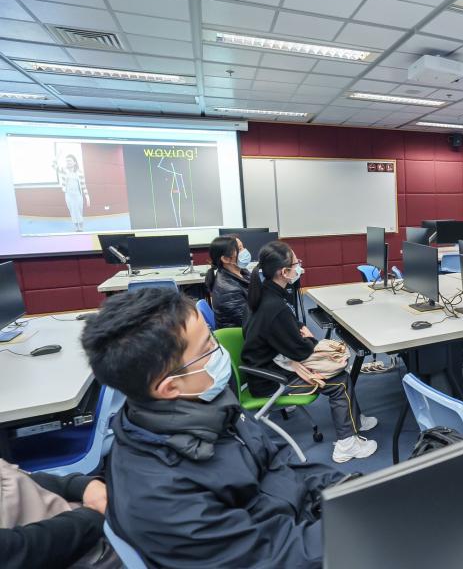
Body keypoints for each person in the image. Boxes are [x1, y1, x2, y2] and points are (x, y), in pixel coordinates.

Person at [80, 288, 346, 567]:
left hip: (298, 527)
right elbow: (270, 557)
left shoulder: (206, 405)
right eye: (208, 348)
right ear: (170, 387)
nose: (221, 353)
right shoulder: (163, 498)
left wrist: (346, 490)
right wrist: (357, 529)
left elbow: (278, 462)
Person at [242, 240, 378, 463]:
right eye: (296, 264)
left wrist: (300, 334)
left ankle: (355, 420)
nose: (299, 267)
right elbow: (302, 350)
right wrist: (308, 338)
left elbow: (291, 332)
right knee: (340, 381)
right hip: (270, 379)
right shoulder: (273, 306)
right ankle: (347, 445)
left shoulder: (266, 293)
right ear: (284, 272)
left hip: (270, 364)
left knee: (339, 374)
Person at [0, 460, 116, 569]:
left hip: (85, 525)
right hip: (80, 549)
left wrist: (80, 486)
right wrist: (92, 517)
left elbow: (12, 474)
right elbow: (14, 552)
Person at [204, 235, 251, 328]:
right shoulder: (228, 291)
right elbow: (249, 323)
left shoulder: (242, 272)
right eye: (240, 249)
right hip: (241, 336)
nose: (245, 252)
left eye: (243, 247)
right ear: (225, 259)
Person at [56, 154, 89, 232]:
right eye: (67, 161)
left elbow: (83, 185)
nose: (68, 162)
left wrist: (87, 197)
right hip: (68, 195)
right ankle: (76, 227)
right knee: (72, 211)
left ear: (74, 162)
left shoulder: (79, 172)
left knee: (79, 211)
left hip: (78, 195)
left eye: (70, 160)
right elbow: (53, 165)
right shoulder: (63, 170)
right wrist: (58, 156)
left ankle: (81, 226)